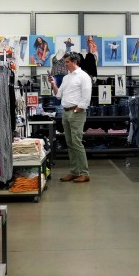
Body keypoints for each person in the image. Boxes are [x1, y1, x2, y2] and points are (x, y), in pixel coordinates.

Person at [49, 52, 92, 182]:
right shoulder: (67, 78)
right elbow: (58, 95)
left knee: (77, 143)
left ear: (74, 62)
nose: (65, 64)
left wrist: (78, 109)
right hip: (66, 112)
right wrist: (53, 84)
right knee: (70, 143)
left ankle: (84, 173)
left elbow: (86, 96)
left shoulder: (83, 76)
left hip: (76, 113)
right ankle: (74, 171)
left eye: (67, 62)